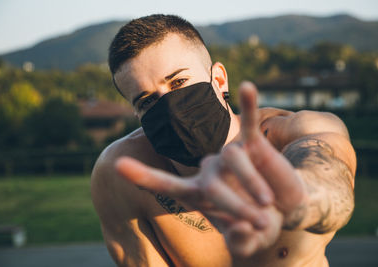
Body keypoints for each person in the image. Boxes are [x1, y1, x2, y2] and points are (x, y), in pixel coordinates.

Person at [91, 14, 356, 267]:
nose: (170, 108)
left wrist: (291, 199)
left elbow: (333, 185)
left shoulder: (295, 131)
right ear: (136, 113)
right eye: (147, 101)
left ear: (218, 79)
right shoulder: (124, 173)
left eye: (179, 81)